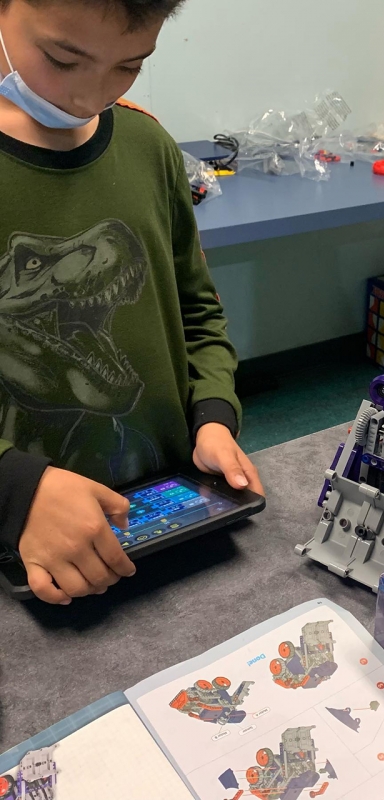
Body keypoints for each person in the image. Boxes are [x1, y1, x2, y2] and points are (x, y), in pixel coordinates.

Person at [0, 0, 263, 605]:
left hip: (160, 515)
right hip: (22, 554)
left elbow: (196, 310)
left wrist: (214, 413)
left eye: (130, 67)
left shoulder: (148, 144)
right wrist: (17, 491)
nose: (91, 97)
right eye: (64, 59)